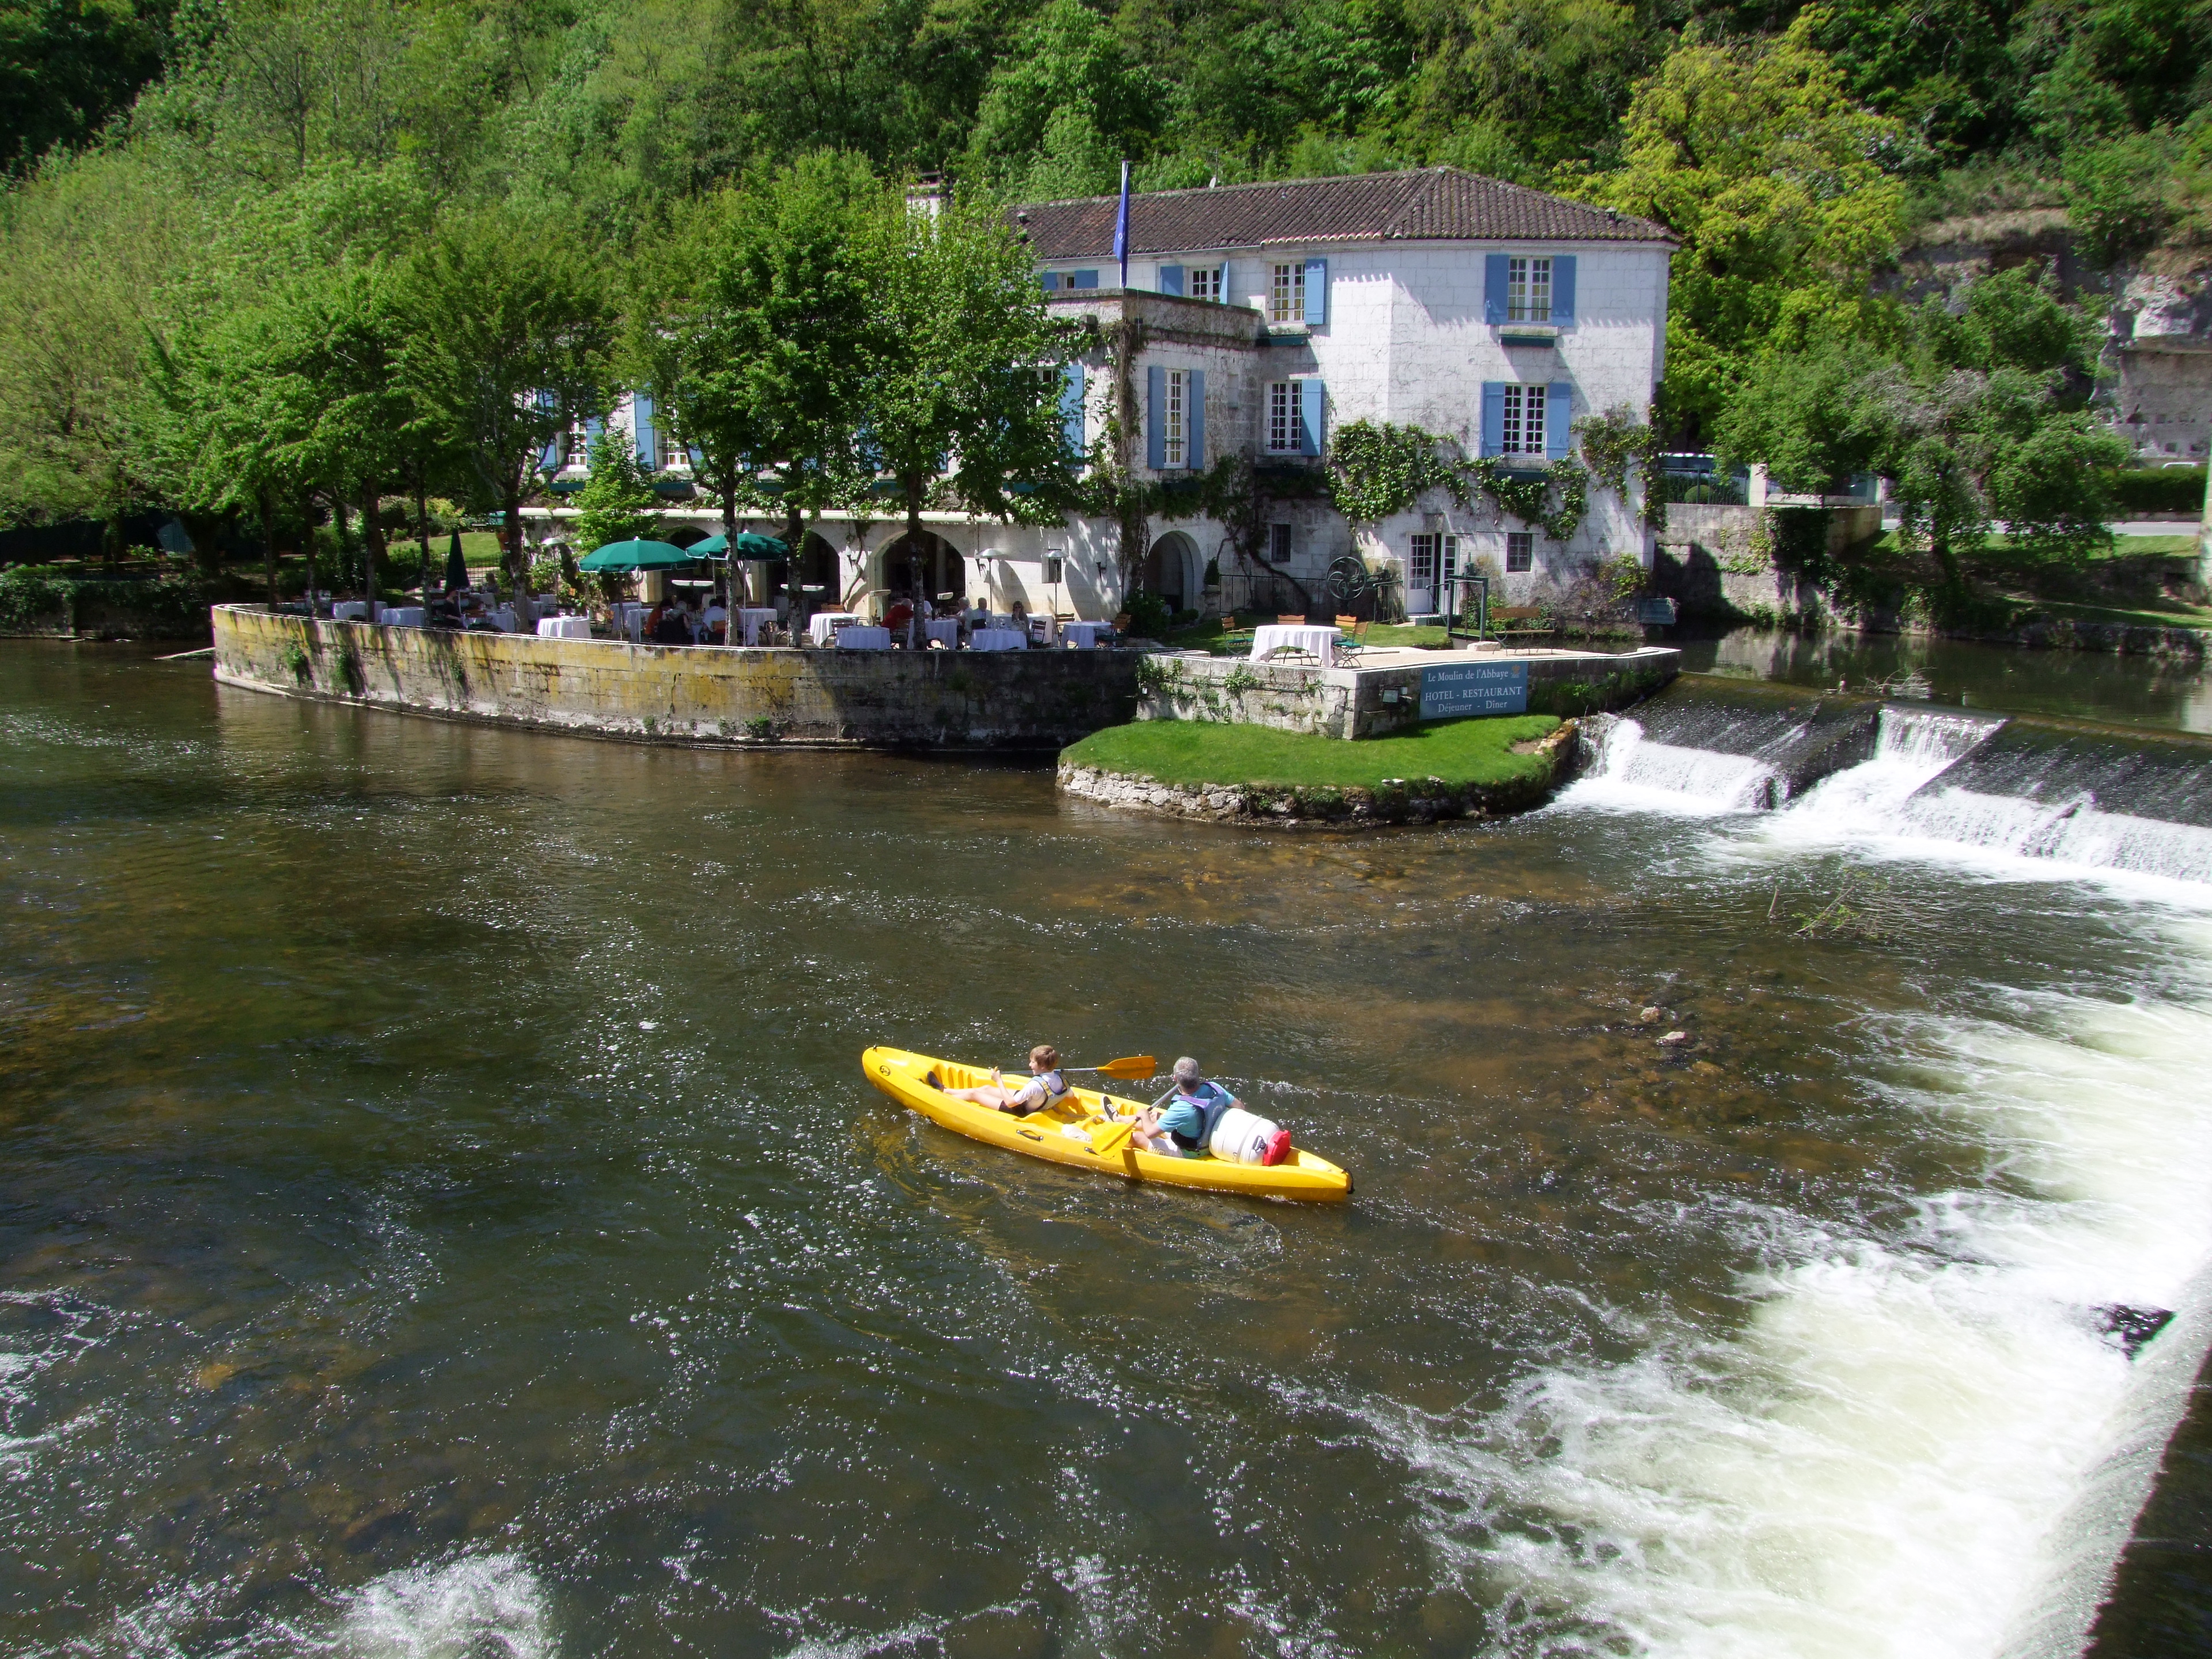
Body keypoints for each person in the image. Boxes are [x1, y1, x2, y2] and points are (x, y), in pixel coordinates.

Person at [938, 1045, 1069, 1116]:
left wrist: (999, 1080)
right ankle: (947, 1091)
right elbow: (1070, 1094)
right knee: (986, 1089)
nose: (1030, 1065)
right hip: (1031, 1101)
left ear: (1043, 1066)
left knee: (974, 1095)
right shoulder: (1059, 1078)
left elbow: (1011, 1103)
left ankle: (942, 1101)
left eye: (1032, 1062)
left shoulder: (1035, 1085)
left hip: (1021, 1110)